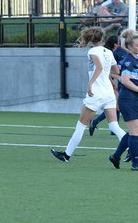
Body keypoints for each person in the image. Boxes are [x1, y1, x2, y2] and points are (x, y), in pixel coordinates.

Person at [51, 27, 126, 163]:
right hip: (108, 93)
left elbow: (99, 67)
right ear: (102, 38)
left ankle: (66, 155)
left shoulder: (92, 51)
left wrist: (90, 83)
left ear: (90, 39)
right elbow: (116, 70)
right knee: (114, 126)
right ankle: (131, 149)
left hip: (96, 94)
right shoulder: (109, 52)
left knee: (81, 125)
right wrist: (110, 80)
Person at [108, 29, 138, 171]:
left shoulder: (136, 60)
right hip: (127, 98)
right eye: (137, 45)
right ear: (129, 46)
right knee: (134, 132)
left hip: (133, 98)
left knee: (134, 130)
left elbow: (136, 79)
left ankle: (116, 156)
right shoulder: (128, 61)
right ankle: (135, 163)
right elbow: (125, 81)